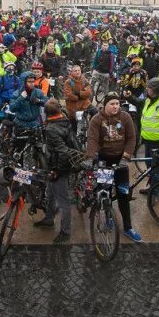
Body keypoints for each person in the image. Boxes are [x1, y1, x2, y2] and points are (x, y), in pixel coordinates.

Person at [85, 91, 141, 242]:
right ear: (105, 105)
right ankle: (109, 216)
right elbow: (92, 139)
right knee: (105, 190)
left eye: (117, 104)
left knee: (124, 194)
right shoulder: (97, 119)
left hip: (121, 160)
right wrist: (90, 157)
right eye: (112, 104)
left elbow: (131, 138)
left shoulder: (125, 117)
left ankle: (128, 227)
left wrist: (126, 156)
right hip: (104, 160)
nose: (115, 107)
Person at [33, 99, 75, 244]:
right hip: (59, 165)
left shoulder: (51, 129)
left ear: (46, 114)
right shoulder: (64, 119)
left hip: (59, 167)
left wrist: (57, 170)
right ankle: (49, 219)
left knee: (63, 202)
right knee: (50, 194)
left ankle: (65, 231)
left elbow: (62, 152)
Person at [63, 65, 93, 131]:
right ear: (72, 72)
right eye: (75, 71)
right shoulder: (68, 82)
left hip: (85, 103)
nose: (77, 72)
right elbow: (69, 95)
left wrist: (78, 93)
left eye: (78, 70)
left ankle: (91, 128)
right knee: (74, 128)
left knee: (95, 112)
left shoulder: (84, 80)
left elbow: (88, 93)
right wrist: (81, 96)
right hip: (73, 106)